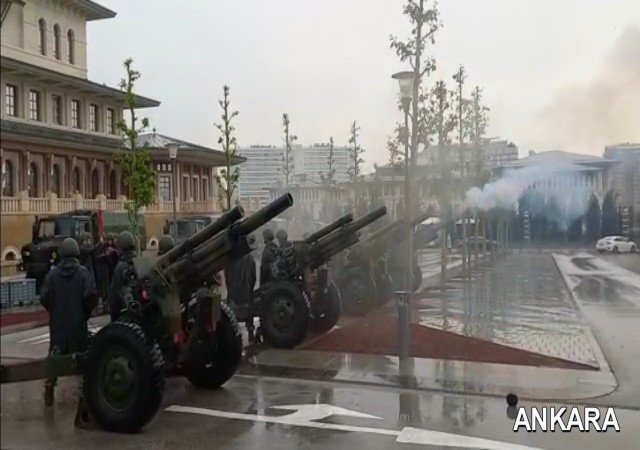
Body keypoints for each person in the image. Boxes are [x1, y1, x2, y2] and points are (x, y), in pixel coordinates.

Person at [40, 238, 97, 407]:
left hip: (57, 325)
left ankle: (49, 387)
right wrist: (85, 313)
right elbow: (90, 295)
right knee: (82, 357)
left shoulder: (52, 275)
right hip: (77, 324)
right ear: (76, 254)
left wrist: (54, 310)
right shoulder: (83, 273)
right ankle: (86, 393)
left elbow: (44, 297)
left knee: (54, 356)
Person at [109, 231, 137, 321]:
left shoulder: (120, 268)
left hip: (125, 317)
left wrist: (114, 318)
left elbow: (114, 296)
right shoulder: (139, 263)